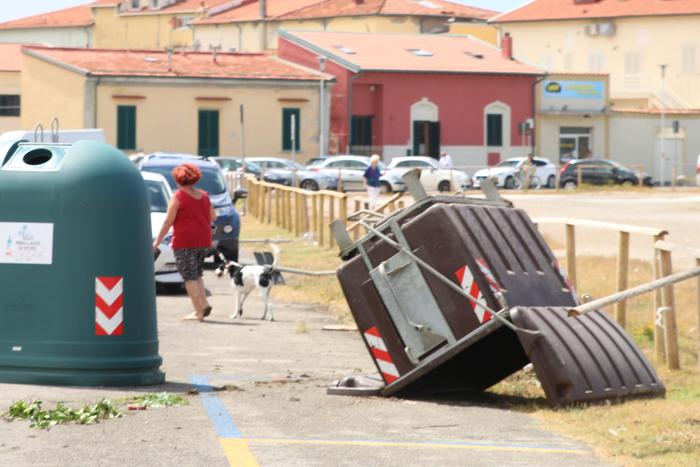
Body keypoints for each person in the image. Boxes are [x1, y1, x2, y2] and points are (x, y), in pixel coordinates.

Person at [154, 163, 216, 322]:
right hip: (203, 239)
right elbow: (213, 217)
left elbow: (168, 221)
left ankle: (198, 311)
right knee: (197, 273)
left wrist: (156, 243)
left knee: (189, 277)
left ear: (177, 180)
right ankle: (204, 302)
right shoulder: (204, 195)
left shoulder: (178, 197)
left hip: (184, 241)